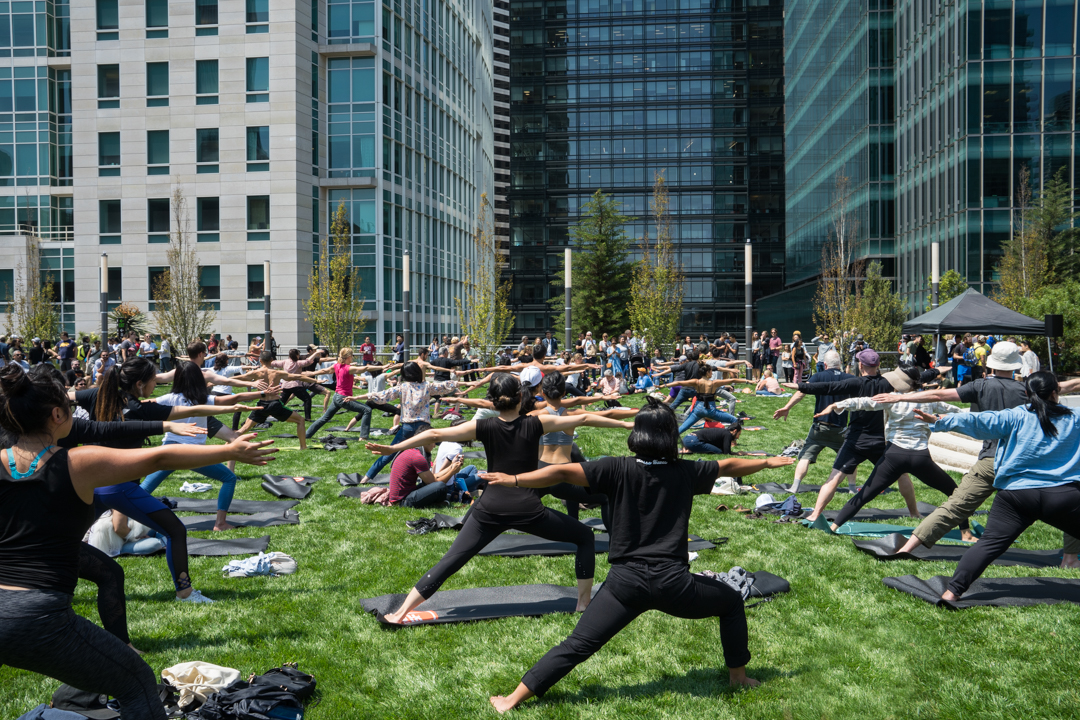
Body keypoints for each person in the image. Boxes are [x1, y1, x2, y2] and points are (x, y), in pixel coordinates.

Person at [483, 398, 794, 712]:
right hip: (674, 586)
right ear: (670, 435)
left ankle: (512, 700)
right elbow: (727, 466)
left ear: (639, 434)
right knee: (729, 602)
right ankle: (738, 678)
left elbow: (562, 472)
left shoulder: (615, 467)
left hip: (624, 586)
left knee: (577, 644)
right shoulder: (687, 471)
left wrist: (515, 479)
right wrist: (768, 462)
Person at [0, 364, 274, 719]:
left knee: (108, 580)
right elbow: (159, 456)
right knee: (138, 683)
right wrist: (229, 451)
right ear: (57, 414)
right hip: (38, 617)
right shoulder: (77, 462)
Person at [365, 373, 634, 623]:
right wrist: (625, 424)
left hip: (490, 508)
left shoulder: (484, 426)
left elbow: (434, 433)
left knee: (451, 560)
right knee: (585, 537)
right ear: (521, 398)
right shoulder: (536, 423)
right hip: (527, 509)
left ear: (494, 401)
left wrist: (393, 447)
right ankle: (583, 606)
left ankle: (400, 613)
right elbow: (584, 418)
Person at [871, 341, 1080, 566]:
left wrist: (900, 397)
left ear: (990, 366)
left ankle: (908, 547)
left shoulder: (980, 386)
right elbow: (1064, 387)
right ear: (1016, 367)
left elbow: (940, 396)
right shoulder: (1026, 390)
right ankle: (1069, 558)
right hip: (1020, 464)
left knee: (955, 506)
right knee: (1071, 498)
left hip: (989, 461)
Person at [915, 372, 1080, 601]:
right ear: (1056, 392)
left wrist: (940, 421)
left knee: (988, 546)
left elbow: (980, 421)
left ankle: (951, 593)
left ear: (1027, 394)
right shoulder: (1075, 417)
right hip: (1063, 497)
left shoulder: (1015, 416)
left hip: (1016, 497)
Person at [808, 365, 971, 536]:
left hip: (893, 457)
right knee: (955, 492)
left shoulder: (893, 398)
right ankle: (965, 533)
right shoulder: (929, 399)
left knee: (864, 495)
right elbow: (957, 413)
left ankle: (833, 528)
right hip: (920, 458)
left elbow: (863, 402)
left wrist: (836, 405)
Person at [139, 361, 268, 530]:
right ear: (198, 380)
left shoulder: (167, 398)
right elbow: (235, 398)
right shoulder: (205, 400)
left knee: (143, 490)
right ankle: (220, 523)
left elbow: (141, 406)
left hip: (169, 452)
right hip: (193, 455)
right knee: (229, 478)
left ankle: (119, 517)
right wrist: (264, 393)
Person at [789, 348, 904, 522]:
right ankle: (913, 511)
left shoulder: (855, 382)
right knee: (901, 473)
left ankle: (809, 506)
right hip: (873, 436)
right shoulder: (882, 383)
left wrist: (799, 388)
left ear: (860, 364)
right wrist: (931, 373)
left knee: (829, 472)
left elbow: (827, 388)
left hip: (848, 436)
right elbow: (910, 380)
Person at [361, 361, 458, 480]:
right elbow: (445, 386)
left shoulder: (402, 387)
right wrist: (467, 382)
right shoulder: (426, 386)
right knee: (434, 448)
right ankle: (434, 477)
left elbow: (382, 395)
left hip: (407, 428)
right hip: (423, 428)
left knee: (389, 454)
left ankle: (366, 478)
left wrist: (357, 397)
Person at [772, 350, 853, 493]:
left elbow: (802, 391)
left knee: (805, 457)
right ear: (840, 363)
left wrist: (787, 407)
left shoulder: (819, 376)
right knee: (850, 458)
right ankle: (852, 489)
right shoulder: (849, 378)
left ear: (825, 364)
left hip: (820, 427)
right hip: (840, 429)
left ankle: (795, 487)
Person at [304, 347, 377, 439]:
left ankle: (307, 435)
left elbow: (323, 371)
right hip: (343, 398)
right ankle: (363, 437)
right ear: (349, 357)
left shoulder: (337, 366)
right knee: (367, 410)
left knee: (325, 418)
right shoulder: (348, 368)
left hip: (337, 396)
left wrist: (308, 373)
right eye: (352, 356)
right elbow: (366, 368)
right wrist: (382, 367)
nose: (353, 358)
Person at [386, 435, 462, 507]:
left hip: (401, 497)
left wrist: (452, 466)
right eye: (434, 443)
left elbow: (432, 478)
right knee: (441, 486)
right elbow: (434, 483)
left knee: (429, 485)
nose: (434, 446)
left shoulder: (411, 451)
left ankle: (438, 502)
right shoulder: (417, 457)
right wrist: (452, 471)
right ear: (427, 442)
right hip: (403, 501)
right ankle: (438, 502)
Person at [273, 347, 327, 421]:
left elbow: (273, 363)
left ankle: (273, 414)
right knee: (307, 399)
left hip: (285, 386)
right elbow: (308, 361)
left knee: (281, 402)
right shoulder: (298, 363)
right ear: (297, 355)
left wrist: (264, 356)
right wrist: (315, 353)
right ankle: (307, 418)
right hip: (295, 386)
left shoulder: (284, 362)